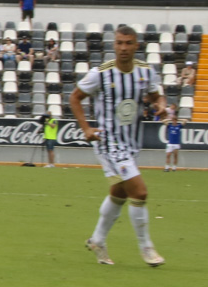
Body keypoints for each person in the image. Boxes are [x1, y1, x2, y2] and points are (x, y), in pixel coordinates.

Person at [69, 25, 166, 267]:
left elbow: (156, 95)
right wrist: (86, 129)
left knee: (120, 193)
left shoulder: (145, 72)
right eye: (120, 43)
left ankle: (97, 240)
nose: (123, 48)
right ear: (114, 45)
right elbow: (75, 97)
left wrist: (160, 104)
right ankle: (147, 248)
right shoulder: (100, 73)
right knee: (140, 192)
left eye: (128, 43)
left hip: (131, 142)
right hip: (109, 142)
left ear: (136, 45)